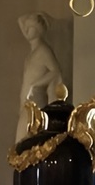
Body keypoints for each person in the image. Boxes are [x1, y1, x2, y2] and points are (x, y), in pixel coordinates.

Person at [15, 12, 63, 141]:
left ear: (38, 31)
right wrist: (34, 17)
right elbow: (20, 19)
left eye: (30, 28)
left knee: (23, 142)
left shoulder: (43, 50)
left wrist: (35, 85)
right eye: (26, 28)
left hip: (35, 102)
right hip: (26, 103)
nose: (27, 30)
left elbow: (56, 72)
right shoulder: (32, 52)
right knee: (21, 144)